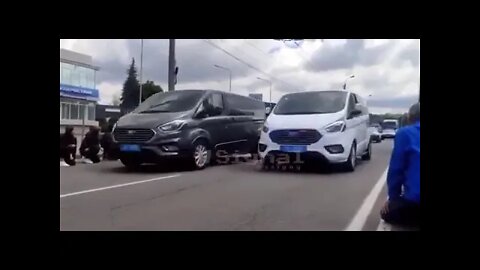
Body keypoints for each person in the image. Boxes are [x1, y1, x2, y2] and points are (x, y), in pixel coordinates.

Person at [380, 102, 420, 228]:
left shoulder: (405, 133)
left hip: (415, 203)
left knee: (387, 213)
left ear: (410, 118)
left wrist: (393, 198)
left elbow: (396, 170)